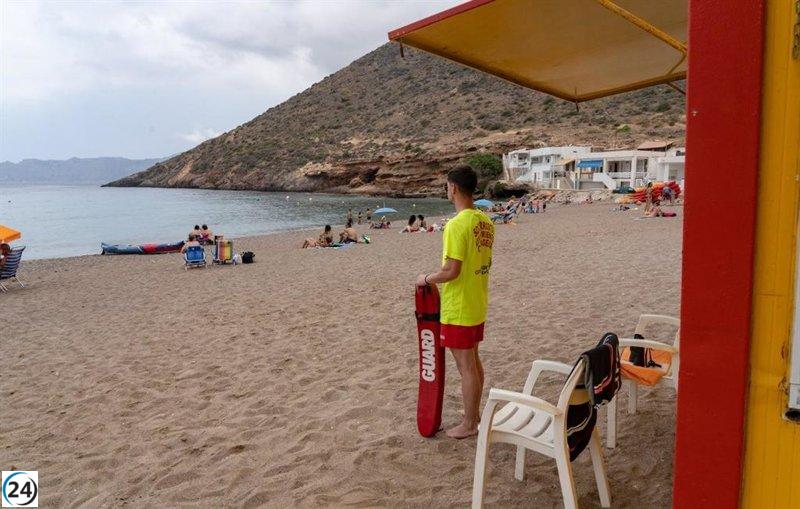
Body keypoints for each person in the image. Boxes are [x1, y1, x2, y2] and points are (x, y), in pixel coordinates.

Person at [416, 165, 494, 439]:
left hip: (459, 305)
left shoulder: (457, 224)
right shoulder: (484, 221)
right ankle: (474, 413)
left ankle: (471, 424)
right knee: (472, 360)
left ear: (454, 188)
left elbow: (452, 270)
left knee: (466, 365)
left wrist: (426, 278)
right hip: (476, 300)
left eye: (447, 186)